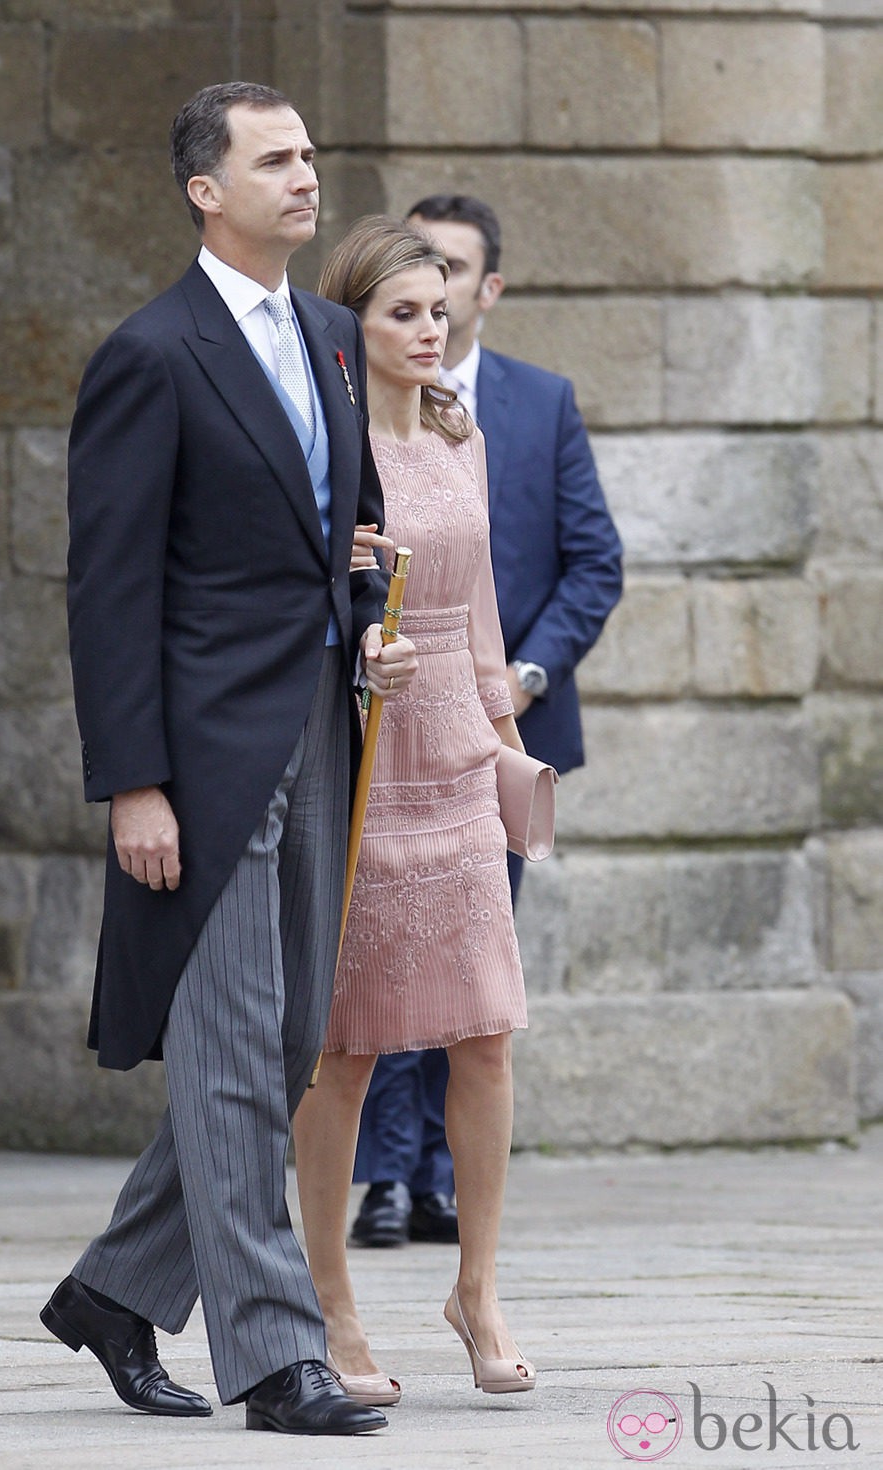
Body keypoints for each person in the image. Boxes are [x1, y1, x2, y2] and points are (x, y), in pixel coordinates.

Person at [39, 82, 418, 1438]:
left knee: (284, 1039)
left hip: (318, 719)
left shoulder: (325, 333)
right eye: (276, 159)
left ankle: (117, 1285)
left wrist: (365, 614)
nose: (307, 176)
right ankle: (277, 1358)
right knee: (235, 1052)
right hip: (195, 752)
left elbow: (350, 524)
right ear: (208, 189)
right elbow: (109, 584)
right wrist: (130, 781)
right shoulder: (150, 353)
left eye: (311, 152)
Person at [291, 214, 536, 1405]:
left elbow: (482, 602)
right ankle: (328, 1300)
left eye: (438, 310)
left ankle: (476, 1290)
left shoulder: (456, 430)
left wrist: (503, 739)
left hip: (450, 747)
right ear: (352, 322)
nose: (429, 332)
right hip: (360, 748)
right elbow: (289, 597)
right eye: (403, 312)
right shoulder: (324, 444)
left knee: (485, 1034)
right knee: (344, 1051)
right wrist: (356, 643)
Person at [351, 194, 624, 1250]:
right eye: (412, 282)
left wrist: (524, 676)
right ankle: (383, 1179)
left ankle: (435, 1179)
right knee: (377, 968)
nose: (435, 299)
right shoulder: (347, 422)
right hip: (384, 725)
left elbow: (592, 558)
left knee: (470, 983)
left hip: (494, 728)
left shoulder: (534, 403)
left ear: (485, 287)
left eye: (451, 273)